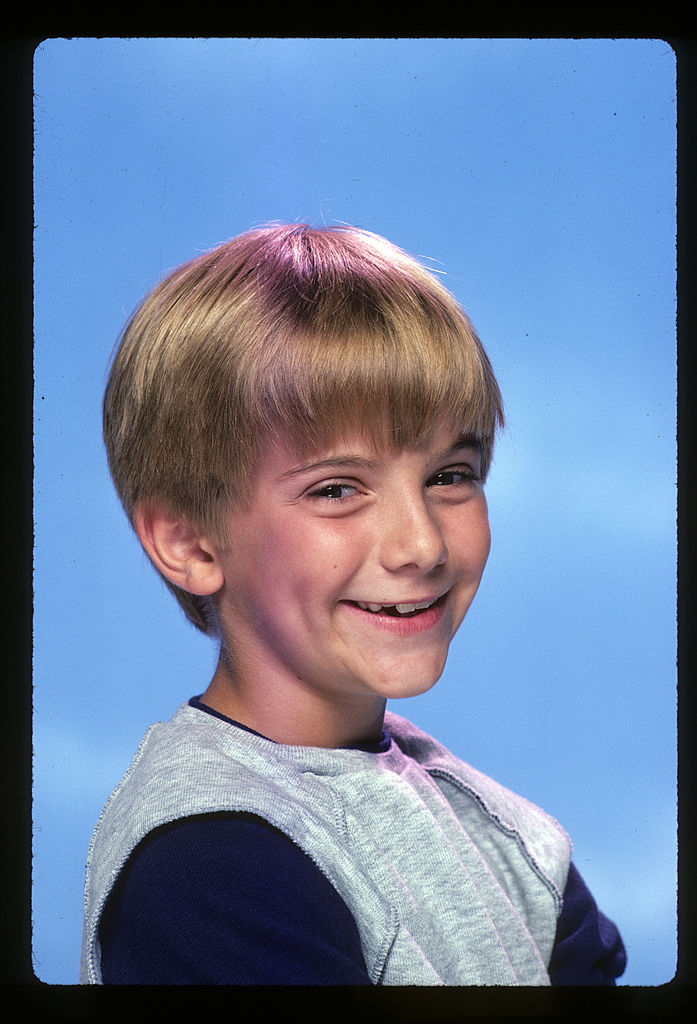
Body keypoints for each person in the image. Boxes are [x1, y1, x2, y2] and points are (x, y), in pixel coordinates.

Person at [80, 224, 626, 986]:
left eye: (449, 475)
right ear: (192, 543)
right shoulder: (212, 864)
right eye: (337, 489)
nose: (421, 546)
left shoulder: (508, 834)